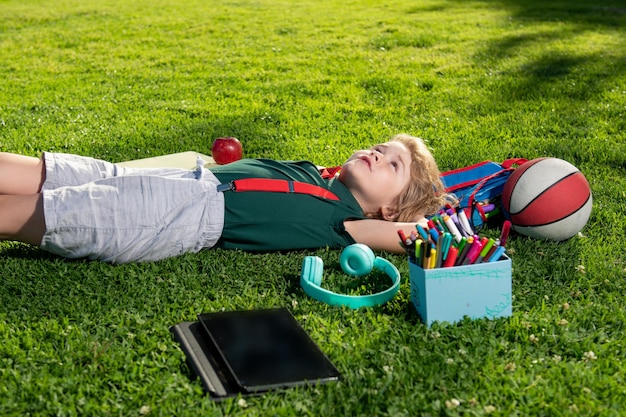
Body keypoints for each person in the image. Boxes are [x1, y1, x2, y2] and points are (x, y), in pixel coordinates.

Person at [0, 134, 450, 263]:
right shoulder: (320, 178)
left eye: (394, 165)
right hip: (179, 179)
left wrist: (450, 217)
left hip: (175, 214)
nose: (378, 153)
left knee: (58, 210)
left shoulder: (349, 222)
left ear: (389, 210)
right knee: (54, 173)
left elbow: (415, 236)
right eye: (381, 147)